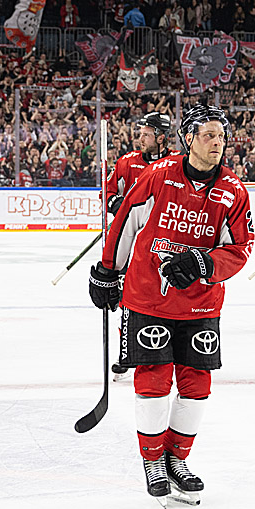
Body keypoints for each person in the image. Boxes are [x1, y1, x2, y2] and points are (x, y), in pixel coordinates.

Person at [87, 104, 253, 505]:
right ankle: (153, 462)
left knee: (197, 384)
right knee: (154, 380)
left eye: (221, 136)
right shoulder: (158, 176)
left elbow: (242, 248)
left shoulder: (234, 191)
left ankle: (177, 459)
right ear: (189, 138)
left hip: (200, 304)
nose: (217, 143)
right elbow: (126, 223)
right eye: (209, 135)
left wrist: (205, 263)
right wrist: (108, 270)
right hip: (148, 298)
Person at [103, 112, 175, 380]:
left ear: (161, 137)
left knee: (159, 295)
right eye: (140, 133)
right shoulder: (127, 162)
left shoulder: (175, 162)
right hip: (128, 239)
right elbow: (107, 191)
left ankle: (166, 348)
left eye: (146, 134)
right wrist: (115, 204)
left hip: (160, 241)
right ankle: (127, 352)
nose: (140, 138)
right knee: (125, 298)